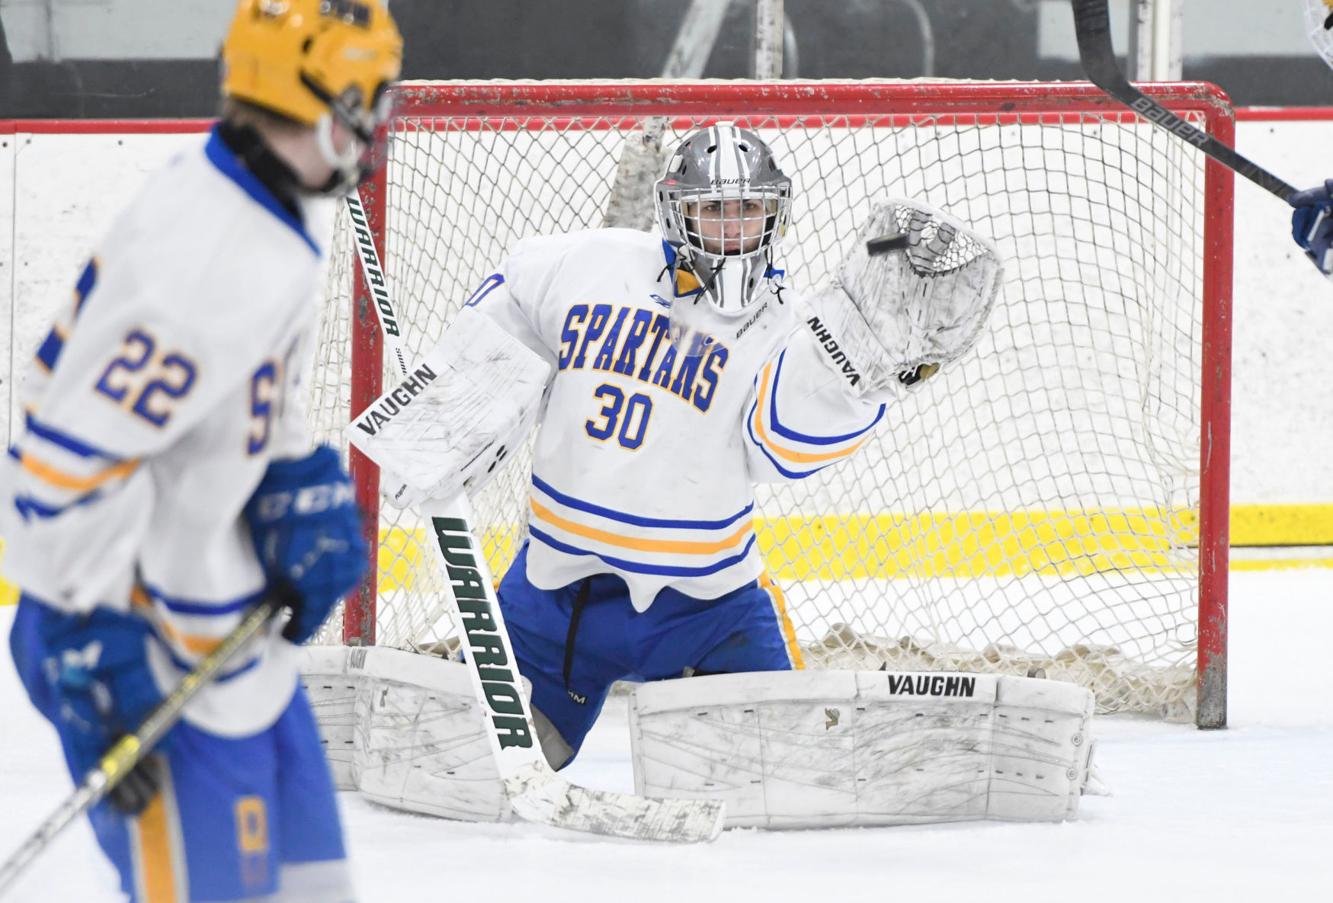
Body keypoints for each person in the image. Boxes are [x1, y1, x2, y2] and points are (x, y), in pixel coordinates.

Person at [3, 1, 401, 899]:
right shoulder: (204, 259)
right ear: (321, 100)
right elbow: (60, 464)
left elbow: (246, 393)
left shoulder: (267, 199)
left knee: (314, 885)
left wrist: (293, 480)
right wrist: (90, 651)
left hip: (224, 619)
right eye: (366, 96)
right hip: (133, 638)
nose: (375, 119)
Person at [454, 123, 997, 771]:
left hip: (708, 610)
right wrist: (454, 401)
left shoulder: (792, 328)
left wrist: (854, 370)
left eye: (748, 209)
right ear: (673, 209)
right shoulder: (588, 264)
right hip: (551, 597)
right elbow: (512, 297)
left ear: (776, 213)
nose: (732, 227)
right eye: (712, 209)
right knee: (464, 767)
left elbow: (781, 450)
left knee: (783, 778)